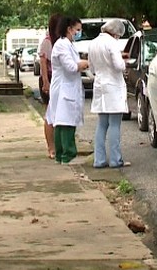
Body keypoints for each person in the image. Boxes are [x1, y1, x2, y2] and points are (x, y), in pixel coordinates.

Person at [45, 16, 89, 164]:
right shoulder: (62, 45)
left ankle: (62, 155)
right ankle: (66, 155)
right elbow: (70, 67)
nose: (79, 33)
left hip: (67, 86)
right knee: (65, 122)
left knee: (63, 120)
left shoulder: (68, 44)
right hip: (63, 87)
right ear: (69, 29)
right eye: (77, 30)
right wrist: (83, 64)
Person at [88, 18, 130, 168]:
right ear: (116, 33)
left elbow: (91, 68)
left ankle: (98, 160)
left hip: (99, 85)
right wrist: (125, 63)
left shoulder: (93, 43)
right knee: (114, 124)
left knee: (102, 124)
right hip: (113, 86)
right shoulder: (112, 43)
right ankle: (115, 159)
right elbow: (119, 66)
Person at [38, 13, 61, 159]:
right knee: (50, 114)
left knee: (61, 114)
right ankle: (51, 147)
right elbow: (43, 63)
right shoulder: (47, 41)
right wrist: (46, 82)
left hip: (60, 80)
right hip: (50, 78)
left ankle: (59, 145)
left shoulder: (63, 41)